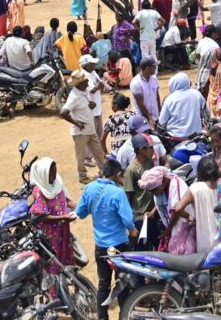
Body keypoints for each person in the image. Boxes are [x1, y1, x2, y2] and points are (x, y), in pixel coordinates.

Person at [75, 159, 137, 320]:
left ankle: (102, 317)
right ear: (118, 175)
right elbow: (128, 220)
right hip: (119, 246)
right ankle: (124, 315)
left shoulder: (89, 188)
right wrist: (133, 231)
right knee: (122, 282)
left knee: (104, 284)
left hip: (101, 246)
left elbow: (80, 213)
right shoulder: (118, 193)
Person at [164, 156, 221, 254]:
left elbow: (178, 208)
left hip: (207, 246)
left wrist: (189, 217)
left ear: (199, 172)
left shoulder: (196, 188)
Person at [29, 158, 76, 273]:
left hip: (63, 230)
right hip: (50, 235)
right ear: (44, 175)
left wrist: (82, 207)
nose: (55, 175)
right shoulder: (39, 191)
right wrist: (63, 218)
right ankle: (53, 290)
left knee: (65, 257)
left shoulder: (57, 183)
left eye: (55, 171)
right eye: (52, 173)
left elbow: (66, 200)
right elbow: (42, 216)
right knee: (53, 262)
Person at [138, 166, 196, 254]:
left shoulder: (175, 184)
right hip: (171, 226)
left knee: (184, 253)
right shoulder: (159, 189)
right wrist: (153, 212)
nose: (153, 193)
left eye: (153, 190)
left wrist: (168, 230)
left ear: (161, 183)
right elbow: (162, 201)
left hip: (182, 225)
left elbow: (177, 210)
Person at [61, 70, 105, 183]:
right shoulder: (74, 96)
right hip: (80, 132)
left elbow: (88, 104)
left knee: (98, 152)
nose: (87, 82)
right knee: (80, 156)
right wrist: (77, 123)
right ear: (79, 83)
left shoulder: (85, 90)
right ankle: (82, 176)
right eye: (85, 81)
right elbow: (63, 112)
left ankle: (104, 171)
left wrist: (93, 105)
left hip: (90, 129)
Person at [123, 133, 159, 248]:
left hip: (152, 213)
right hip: (140, 217)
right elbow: (128, 197)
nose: (153, 150)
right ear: (142, 150)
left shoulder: (149, 163)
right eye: (151, 148)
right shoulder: (131, 170)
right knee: (141, 248)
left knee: (158, 243)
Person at [160, 72, 208, 143]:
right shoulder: (197, 94)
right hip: (196, 138)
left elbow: (162, 122)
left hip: (176, 140)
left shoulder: (169, 99)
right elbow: (206, 113)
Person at [133, 0, 164, 64]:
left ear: (142, 6)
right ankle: (155, 72)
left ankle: (147, 72)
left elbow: (133, 22)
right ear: (150, 5)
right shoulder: (155, 12)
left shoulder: (140, 13)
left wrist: (138, 29)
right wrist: (157, 28)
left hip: (144, 38)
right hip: (152, 37)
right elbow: (163, 21)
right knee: (153, 55)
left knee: (145, 56)